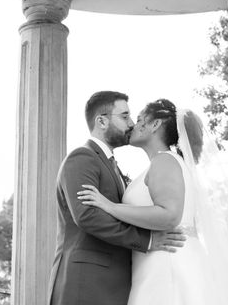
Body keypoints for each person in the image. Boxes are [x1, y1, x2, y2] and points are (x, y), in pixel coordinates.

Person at [78, 99, 228, 305]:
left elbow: (169, 215)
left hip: (167, 264)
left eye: (140, 119)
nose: (133, 124)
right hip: (160, 262)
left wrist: (111, 206)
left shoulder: (164, 160)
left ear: (155, 124)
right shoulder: (164, 163)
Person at [49, 91, 186, 305]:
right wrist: (147, 240)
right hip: (87, 283)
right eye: (124, 116)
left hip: (117, 286)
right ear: (102, 121)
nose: (131, 123)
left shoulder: (114, 166)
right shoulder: (82, 158)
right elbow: (87, 216)